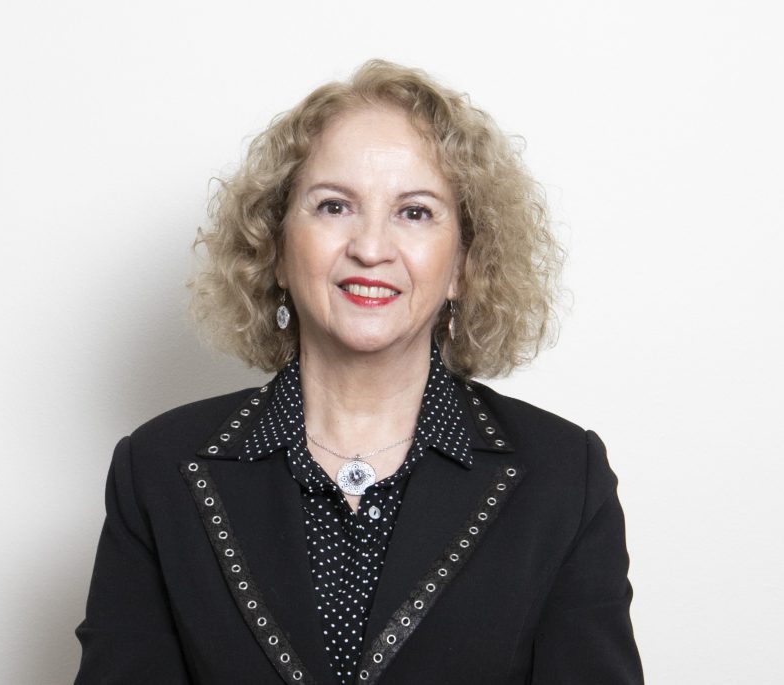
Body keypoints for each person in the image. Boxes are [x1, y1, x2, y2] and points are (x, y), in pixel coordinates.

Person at [74, 60, 643, 685]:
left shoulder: (564, 479)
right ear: (276, 249)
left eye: (415, 212)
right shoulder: (157, 471)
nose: (371, 248)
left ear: (462, 265)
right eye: (334, 206)